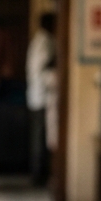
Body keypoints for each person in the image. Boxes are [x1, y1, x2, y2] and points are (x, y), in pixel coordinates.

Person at [26, 13, 57, 186]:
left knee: (41, 138)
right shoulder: (44, 41)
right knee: (40, 138)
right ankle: (38, 175)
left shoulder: (41, 39)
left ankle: (39, 173)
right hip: (41, 96)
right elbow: (45, 65)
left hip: (38, 96)